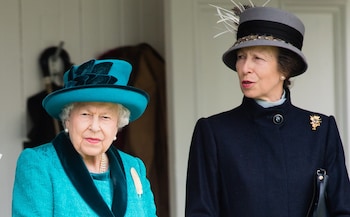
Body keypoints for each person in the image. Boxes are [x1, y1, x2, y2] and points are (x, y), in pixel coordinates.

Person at [185, 3, 350, 217]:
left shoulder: (320, 130)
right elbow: (200, 212)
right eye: (241, 57)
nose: (245, 68)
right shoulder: (213, 132)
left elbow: (343, 210)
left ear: (285, 69)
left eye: (258, 58)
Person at [13, 59, 157, 216]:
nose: (94, 127)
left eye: (105, 117)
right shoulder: (39, 164)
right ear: (67, 119)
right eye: (85, 114)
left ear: (117, 125)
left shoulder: (133, 167)